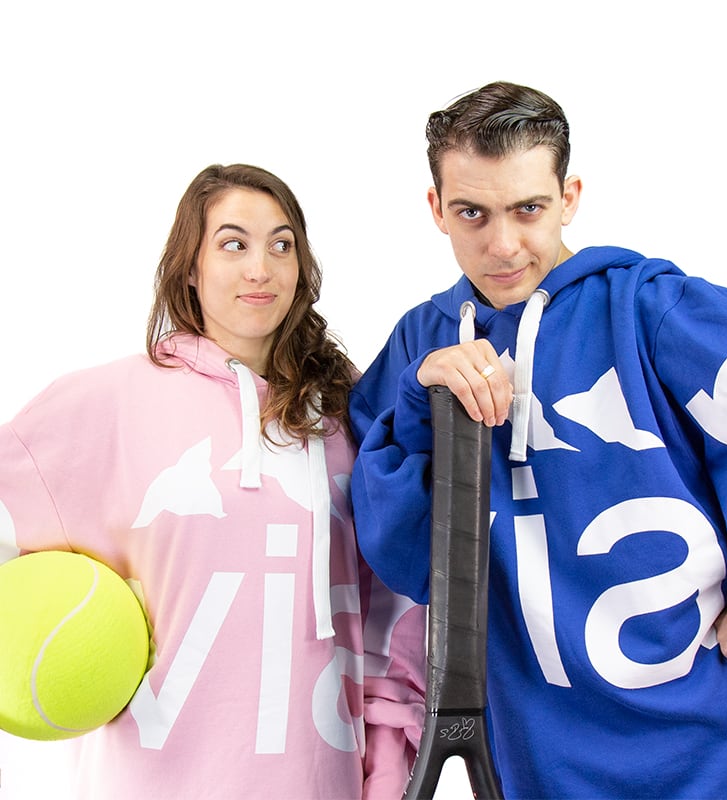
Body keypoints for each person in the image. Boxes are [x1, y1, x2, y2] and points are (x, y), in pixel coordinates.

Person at [349, 82, 727, 799]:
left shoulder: (654, 311)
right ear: (435, 209)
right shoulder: (421, 341)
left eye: (527, 208)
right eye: (473, 213)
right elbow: (405, 563)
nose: (502, 245)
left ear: (570, 196)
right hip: (539, 769)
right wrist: (418, 402)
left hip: (721, 756)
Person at [0, 164, 425, 799]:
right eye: (234, 243)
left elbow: (392, 606)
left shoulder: (347, 419)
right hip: (146, 780)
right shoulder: (112, 402)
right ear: (190, 267)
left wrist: (390, 766)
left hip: (319, 781)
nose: (262, 268)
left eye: (282, 245)